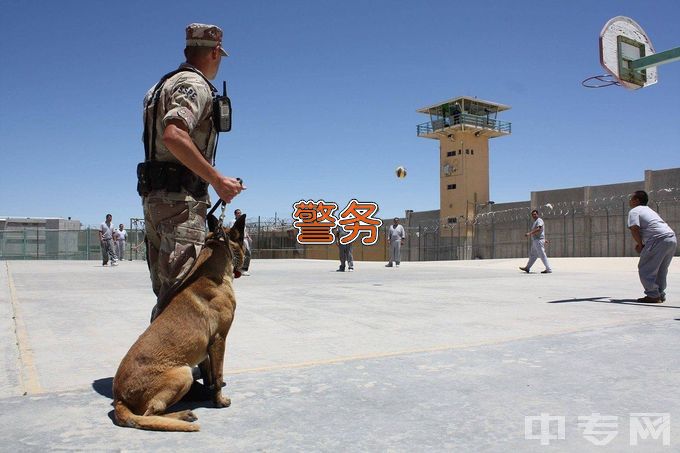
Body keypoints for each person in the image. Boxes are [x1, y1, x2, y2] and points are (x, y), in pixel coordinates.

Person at [139, 23, 244, 320]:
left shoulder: (159, 87)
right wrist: (217, 179)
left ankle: (154, 361)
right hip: (180, 203)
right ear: (214, 52)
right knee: (184, 294)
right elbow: (174, 135)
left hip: (156, 199)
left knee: (168, 293)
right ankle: (165, 363)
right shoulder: (193, 86)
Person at [627, 190, 676, 303]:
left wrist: (640, 245)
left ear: (636, 200)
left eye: (631, 198)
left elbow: (634, 228)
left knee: (645, 268)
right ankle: (659, 294)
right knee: (661, 269)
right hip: (671, 238)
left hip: (657, 239)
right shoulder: (649, 210)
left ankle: (653, 295)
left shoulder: (634, 211)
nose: (630, 201)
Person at [519, 209, 552, 274]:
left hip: (538, 241)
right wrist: (544, 240)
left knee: (542, 255)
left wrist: (529, 233)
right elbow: (540, 231)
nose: (534, 215)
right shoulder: (535, 222)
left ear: (537, 214)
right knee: (533, 255)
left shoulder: (539, 220)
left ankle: (548, 269)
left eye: (535, 214)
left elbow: (539, 229)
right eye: (533, 214)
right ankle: (527, 268)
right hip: (536, 241)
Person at [228, 209, 251, 275]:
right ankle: (235, 269)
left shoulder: (242, 221)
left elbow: (244, 230)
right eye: (238, 213)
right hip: (237, 240)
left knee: (247, 253)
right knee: (236, 254)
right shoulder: (233, 221)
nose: (239, 214)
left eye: (240, 213)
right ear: (235, 214)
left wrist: (248, 236)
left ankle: (244, 269)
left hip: (244, 239)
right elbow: (231, 230)